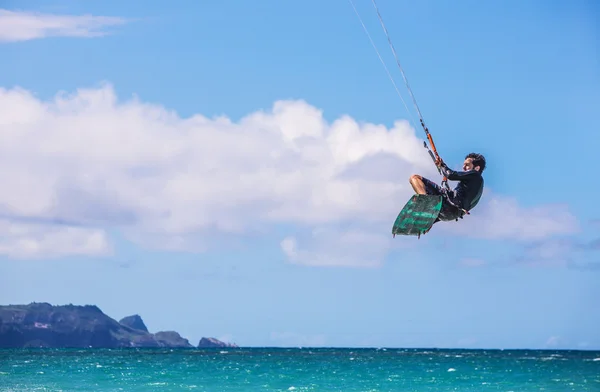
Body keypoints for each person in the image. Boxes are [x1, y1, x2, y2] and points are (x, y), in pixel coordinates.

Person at [409, 153, 486, 222]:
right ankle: (428, 210)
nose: (463, 167)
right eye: (464, 164)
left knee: (415, 178)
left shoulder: (475, 175)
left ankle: (425, 201)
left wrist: (442, 165)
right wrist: (432, 221)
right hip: (451, 214)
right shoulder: (477, 188)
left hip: (449, 204)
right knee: (423, 188)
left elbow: (451, 175)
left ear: (477, 168)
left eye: (467, 165)